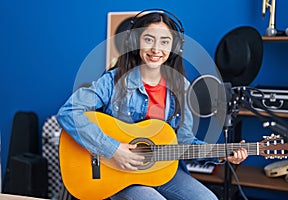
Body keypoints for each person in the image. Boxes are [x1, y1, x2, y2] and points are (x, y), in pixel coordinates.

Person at [57, 9, 248, 200]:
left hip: (160, 171)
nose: (156, 49)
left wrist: (222, 154)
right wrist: (112, 149)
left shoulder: (182, 88)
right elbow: (68, 112)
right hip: (116, 171)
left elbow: (183, 141)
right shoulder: (112, 81)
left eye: (164, 41)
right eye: (148, 39)